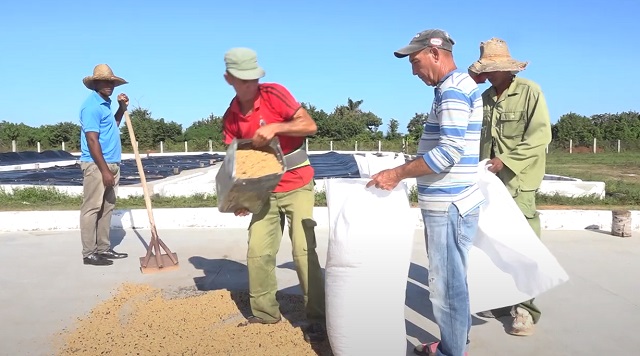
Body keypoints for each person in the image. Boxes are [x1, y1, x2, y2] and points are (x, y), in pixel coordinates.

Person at [367, 29, 484, 356]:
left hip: (449, 204)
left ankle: (451, 351)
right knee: (453, 280)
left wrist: (397, 174)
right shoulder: (456, 87)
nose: (414, 71)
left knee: (447, 287)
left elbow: (449, 152)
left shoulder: (453, 91)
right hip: (454, 202)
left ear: (436, 53)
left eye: (416, 62)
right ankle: (455, 341)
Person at [220, 47, 326, 343]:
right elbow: (237, 163)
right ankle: (265, 313)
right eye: (243, 79)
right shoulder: (231, 117)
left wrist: (277, 127)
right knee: (258, 251)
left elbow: (310, 125)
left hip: (298, 182)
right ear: (229, 78)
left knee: (304, 251)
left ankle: (317, 316)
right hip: (264, 191)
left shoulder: (275, 94)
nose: (250, 85)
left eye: (253, 78)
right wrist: (242, 198)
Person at [470, 37, 552, 336]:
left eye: (492, 68)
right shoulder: (483, 98)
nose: (488, 74)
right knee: (494, 244)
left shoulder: (530, 92)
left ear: (507, 68)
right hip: (489, 183)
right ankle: (504, 300)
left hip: (519, 182)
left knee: (523, 247)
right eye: (485, 70)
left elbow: (540, 136)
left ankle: (525, 310)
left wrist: (506, 160)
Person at [78, 64, 129, 266]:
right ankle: (89, 253)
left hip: (112, 162)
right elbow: (92, 140)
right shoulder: (91, 106)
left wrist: (121, 109)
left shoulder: (105, 104)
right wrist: (104, 170)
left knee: (107, 208)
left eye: (111, 82)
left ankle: (104, 248)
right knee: (92, 208)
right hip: (97, 165)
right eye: (104, 82)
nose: (109, 85)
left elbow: (113, 126)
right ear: (95, 83)